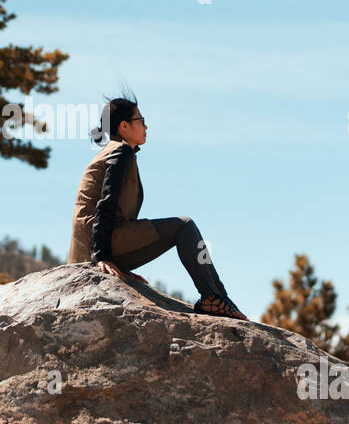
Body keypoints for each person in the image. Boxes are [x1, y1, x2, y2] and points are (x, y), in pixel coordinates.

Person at [67, 93, 248, 319]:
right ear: (124, 126)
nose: (146, 127)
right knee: (184, 226)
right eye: (141, 121)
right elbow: (106, 204)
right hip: (97, 247)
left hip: (95, 246)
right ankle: (214, 297)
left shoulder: (116, 151)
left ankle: (218, 297)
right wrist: (102, 256)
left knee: (184, 227)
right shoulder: (119, 152)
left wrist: (116, 264)